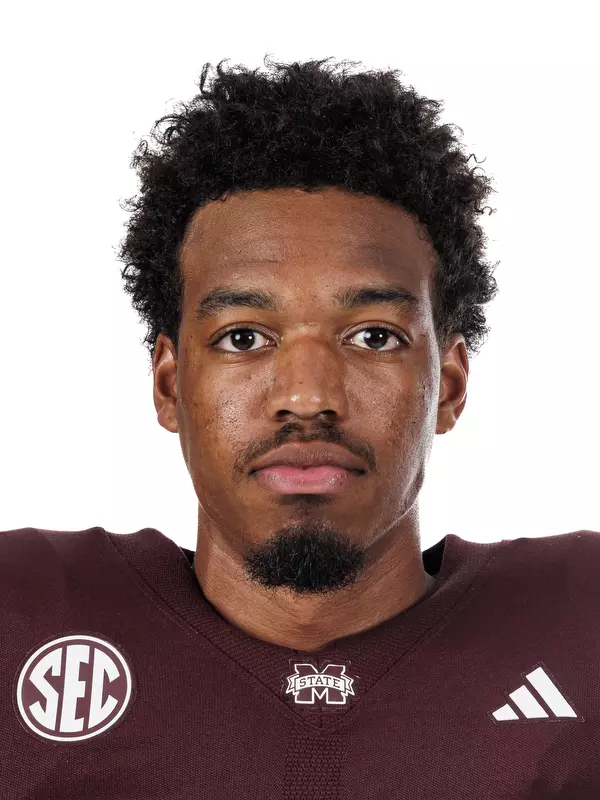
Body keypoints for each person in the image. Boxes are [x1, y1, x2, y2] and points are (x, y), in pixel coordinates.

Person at [2, 55, 598, 799]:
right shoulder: (20, 615)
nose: (308, 397)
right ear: (168, 385)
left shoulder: (584, 628)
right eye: (245, 337)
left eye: (373, 336)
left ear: (448, 385)